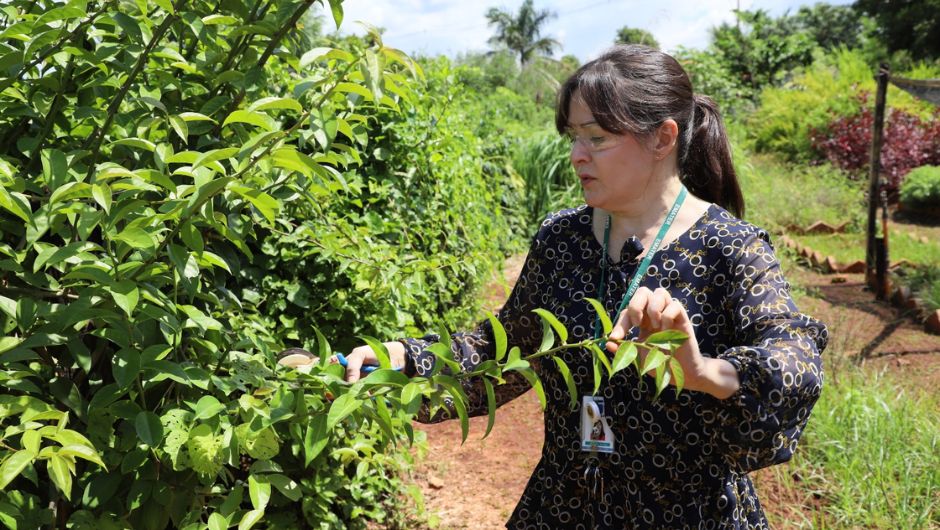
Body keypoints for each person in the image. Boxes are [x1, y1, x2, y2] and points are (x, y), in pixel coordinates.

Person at [338, 45, 827, 529]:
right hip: (566, 505)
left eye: (595, 138)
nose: (576, 156)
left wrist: (703, 372)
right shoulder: (561, 239)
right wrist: (403, 360)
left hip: (690, 513)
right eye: (574, 137)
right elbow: (501, 350)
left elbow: (795, 361)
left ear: (662, 138)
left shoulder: (730, 247)